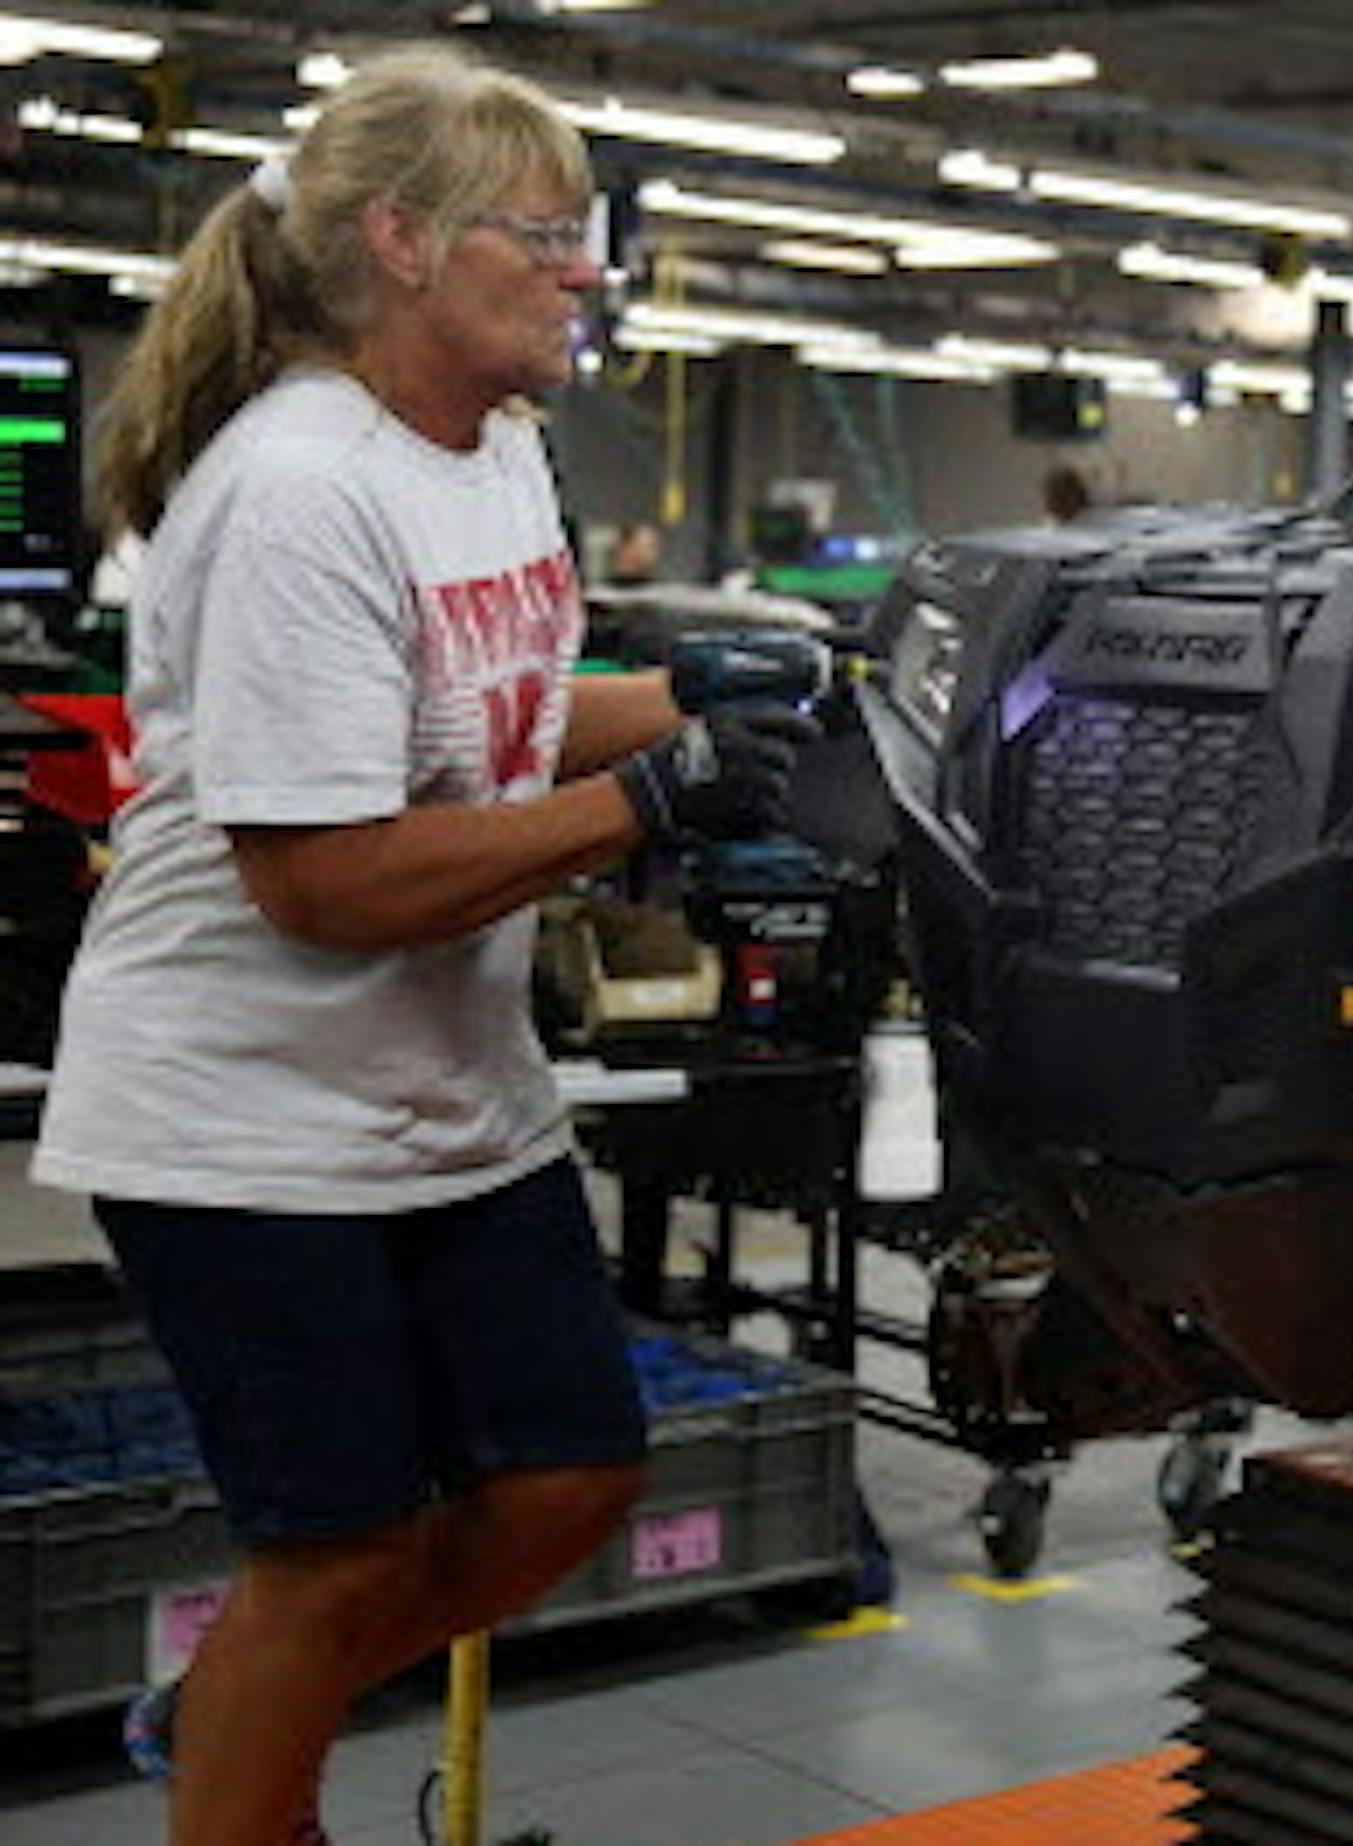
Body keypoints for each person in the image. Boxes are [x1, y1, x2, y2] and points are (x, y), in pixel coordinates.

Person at [31, 45, 813, 1846]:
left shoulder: (499, 450)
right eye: (547, 234)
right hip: (245, 1116)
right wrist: (658, 802)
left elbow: (502, 714)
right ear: (400, 240)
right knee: (337, 1552)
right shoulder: (299, 488)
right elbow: (324, 879)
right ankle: (255, 1753)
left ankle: (236, 1698)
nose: (587, 269)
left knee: (572, 1473)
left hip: (447, 1093)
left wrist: (694, 697)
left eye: (588, 232)